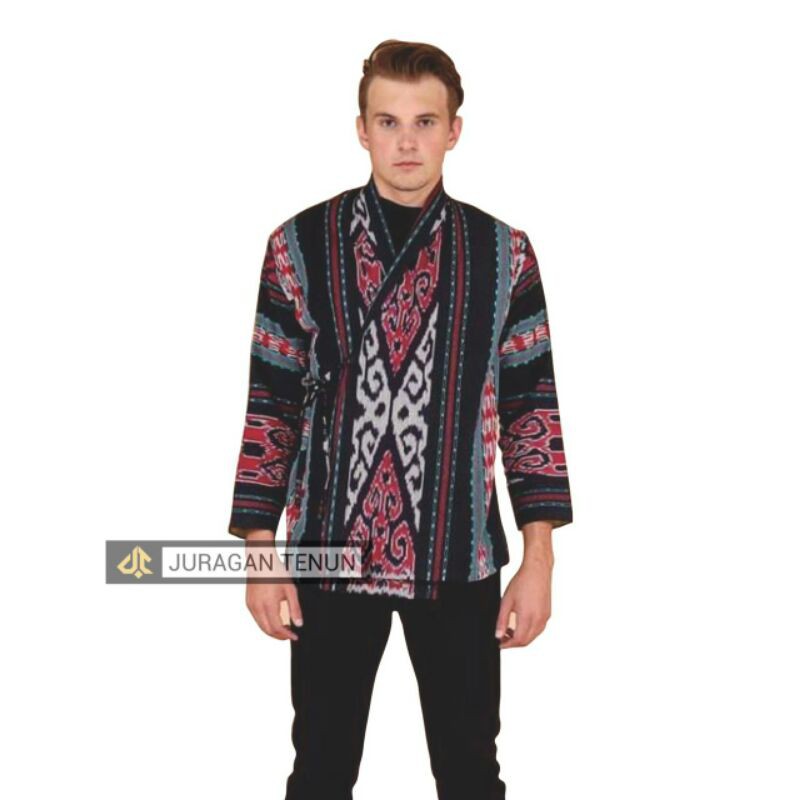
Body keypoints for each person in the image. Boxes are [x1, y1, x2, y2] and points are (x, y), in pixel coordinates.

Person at [228, 38, 574, 800]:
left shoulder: (504, 254)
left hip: (458, 551)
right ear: (362, 130)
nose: (407, 141)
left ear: (455, 130)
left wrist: (538, 560)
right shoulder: (298, 246)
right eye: (388, 122)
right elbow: (271, 401)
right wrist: (260, 548)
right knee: (320, 771)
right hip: (328, 549)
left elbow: (531, 408)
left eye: (425, 122)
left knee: (470, 773)